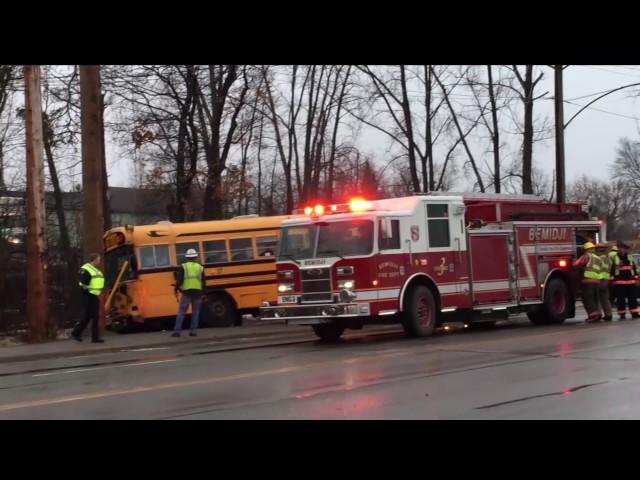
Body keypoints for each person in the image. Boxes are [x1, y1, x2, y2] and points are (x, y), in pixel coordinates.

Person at [171, 248, 206, 337]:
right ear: (195, 257)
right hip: (198, 292)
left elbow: (180, 280)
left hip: (187, 292)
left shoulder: (184, 266)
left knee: (182, 311)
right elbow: (204, 281)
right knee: (196, 312)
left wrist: (176, 288)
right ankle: (193, 331)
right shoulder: (200, 267)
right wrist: (204, 293)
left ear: (187, 258)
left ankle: (177, 331)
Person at [71, 253, 105, 343]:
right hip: (88, 295)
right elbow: (84, 283)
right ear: (94, 259)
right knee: (94, 317)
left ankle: (76, 332)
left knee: (88, 317)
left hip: (92, 295)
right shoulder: (88, 269)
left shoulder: (93, 269)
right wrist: (87, 292)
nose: (99, 261)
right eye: (98, 259)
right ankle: (95, 337)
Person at [572, 241, 602, 323]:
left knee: (588, 298)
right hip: (597, 281)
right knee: (595, 299)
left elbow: (576, 264)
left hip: (587, 281)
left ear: (586, 249)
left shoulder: (586, 256)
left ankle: (592, 316)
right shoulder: (598, 258)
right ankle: (598, 314)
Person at [597, 243, 613, 322]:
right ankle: (608, 314)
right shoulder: (609, 259)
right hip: (606, 279)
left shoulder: (599, 259)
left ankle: (598, 314)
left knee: (598, 297)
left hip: (600, 279)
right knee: (605, 298)